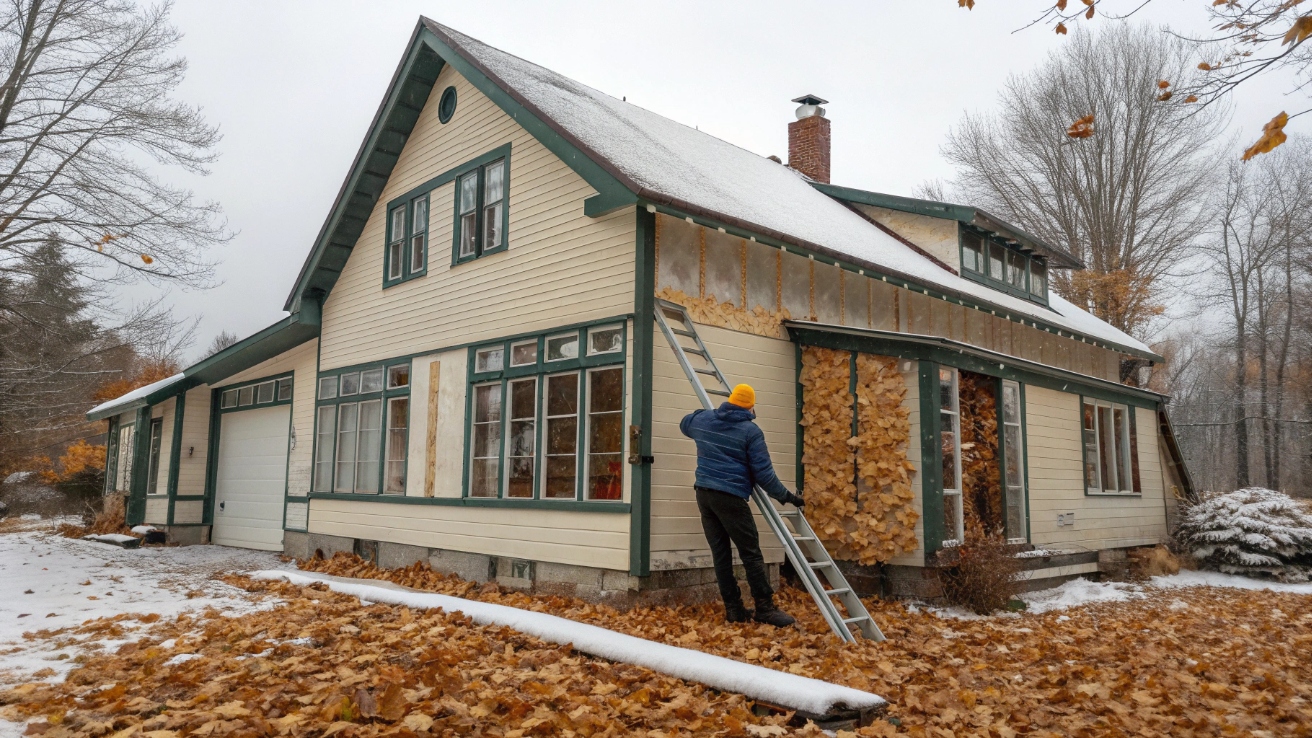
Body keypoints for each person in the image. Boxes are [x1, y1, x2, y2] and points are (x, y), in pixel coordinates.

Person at [680, 383, 805, 626]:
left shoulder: (704, 421)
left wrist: (705, 415)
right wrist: (788, 497)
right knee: (751, 553)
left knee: (721, 555)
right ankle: (765, 609)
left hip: (704, 495)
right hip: (730, 497)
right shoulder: (750, 432)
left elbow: (685, 422)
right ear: (750, 407)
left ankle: (734, 610)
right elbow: (764, 476)